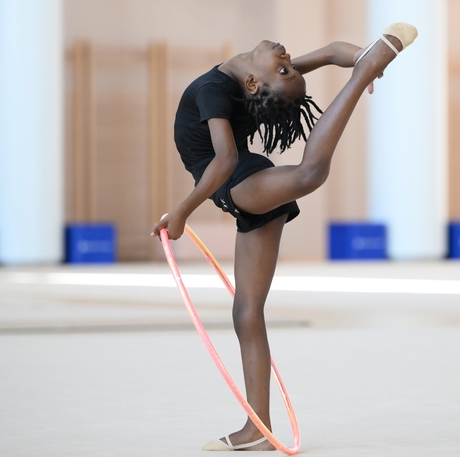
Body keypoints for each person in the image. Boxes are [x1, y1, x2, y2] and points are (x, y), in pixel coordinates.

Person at [152, 22, 417, 451]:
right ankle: (257, 426)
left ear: (256, 82)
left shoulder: (216, 89)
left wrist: (181, 212)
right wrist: (360, 52)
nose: (289, 60)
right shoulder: (247, 81)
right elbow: (331, 50)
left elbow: (224, 161)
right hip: (249, 187)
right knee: (247, 311)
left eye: (287, 70)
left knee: (309, 173)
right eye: (289, 69)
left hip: (238, 181)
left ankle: (364, 75)